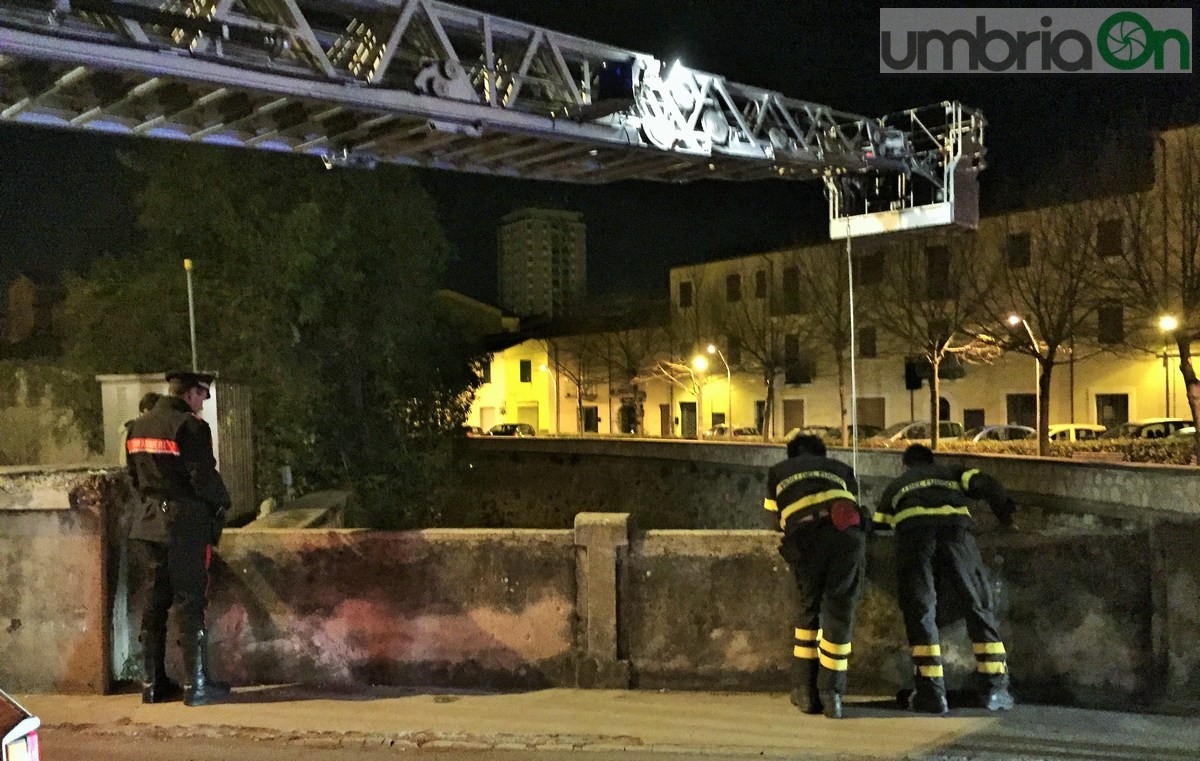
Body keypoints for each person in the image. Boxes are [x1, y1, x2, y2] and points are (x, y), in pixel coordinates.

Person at [874, 443, 1017, 714]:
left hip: (915, 540)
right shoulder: (952, 473)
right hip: (956, 536)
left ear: (906, 465)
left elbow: (881, 528)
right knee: (979, 607)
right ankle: (995, 689)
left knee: (921, 612)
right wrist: (1006, 516)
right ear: (932, 461)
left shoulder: (897, 485)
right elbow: (985, 483)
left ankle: (931, 694)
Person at [126, 370, 231, 706]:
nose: (204, 402)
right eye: (202, 395)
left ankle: (153, 684)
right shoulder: (190, 427)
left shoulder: (136, 427)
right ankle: (196, 686)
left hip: (147, 525)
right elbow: (202, 478)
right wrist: (222, 503)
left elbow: (134, 478)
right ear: (189, 393)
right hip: (184, 526)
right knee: (190, 601)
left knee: (155, 603)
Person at [765, 434, 869, 719]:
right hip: (848, 536)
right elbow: (851, 505)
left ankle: (805, 693)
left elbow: (773, 520)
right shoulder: (841, 469)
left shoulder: (778, 472)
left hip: (807, 537)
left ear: (793, 454)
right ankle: (832, 696)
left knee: (808, 609)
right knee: (839, 613)